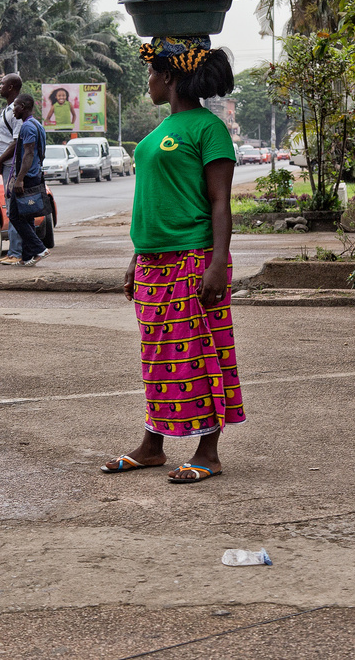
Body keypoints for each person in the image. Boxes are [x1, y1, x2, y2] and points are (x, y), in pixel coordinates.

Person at [101, 36, 245, 483]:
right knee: (158, 358)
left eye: (151, 73)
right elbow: (154, 200)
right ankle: (152, 445)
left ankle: (208, 452)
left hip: (194, 257)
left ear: (168, 76)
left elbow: (220, 202)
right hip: (154, 262)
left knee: (201, 354)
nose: (148, 81)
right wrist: (136, 257)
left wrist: (218, 262)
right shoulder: (159, 132)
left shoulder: (208, 128)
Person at [0, 93, 48, 267]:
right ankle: (28, 256)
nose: (13, 110)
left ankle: (39, 248)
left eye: (16, 106)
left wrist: (19, 179)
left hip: (28, 177)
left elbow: (29, 154)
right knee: (27, 216)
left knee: (15, 215)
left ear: (23, 106)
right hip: (34, 175)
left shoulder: (27, 127)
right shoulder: (37, 125)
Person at [0, 73, 23, 265]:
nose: (0, 87)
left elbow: (16, 141)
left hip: (11, 166)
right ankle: (15, 251)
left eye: (2, 84)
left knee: (13, 209)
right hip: (7, 165)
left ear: (11, 87)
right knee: (12, 208)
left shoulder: (16, 111)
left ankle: (16, 252)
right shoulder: (8, 109)